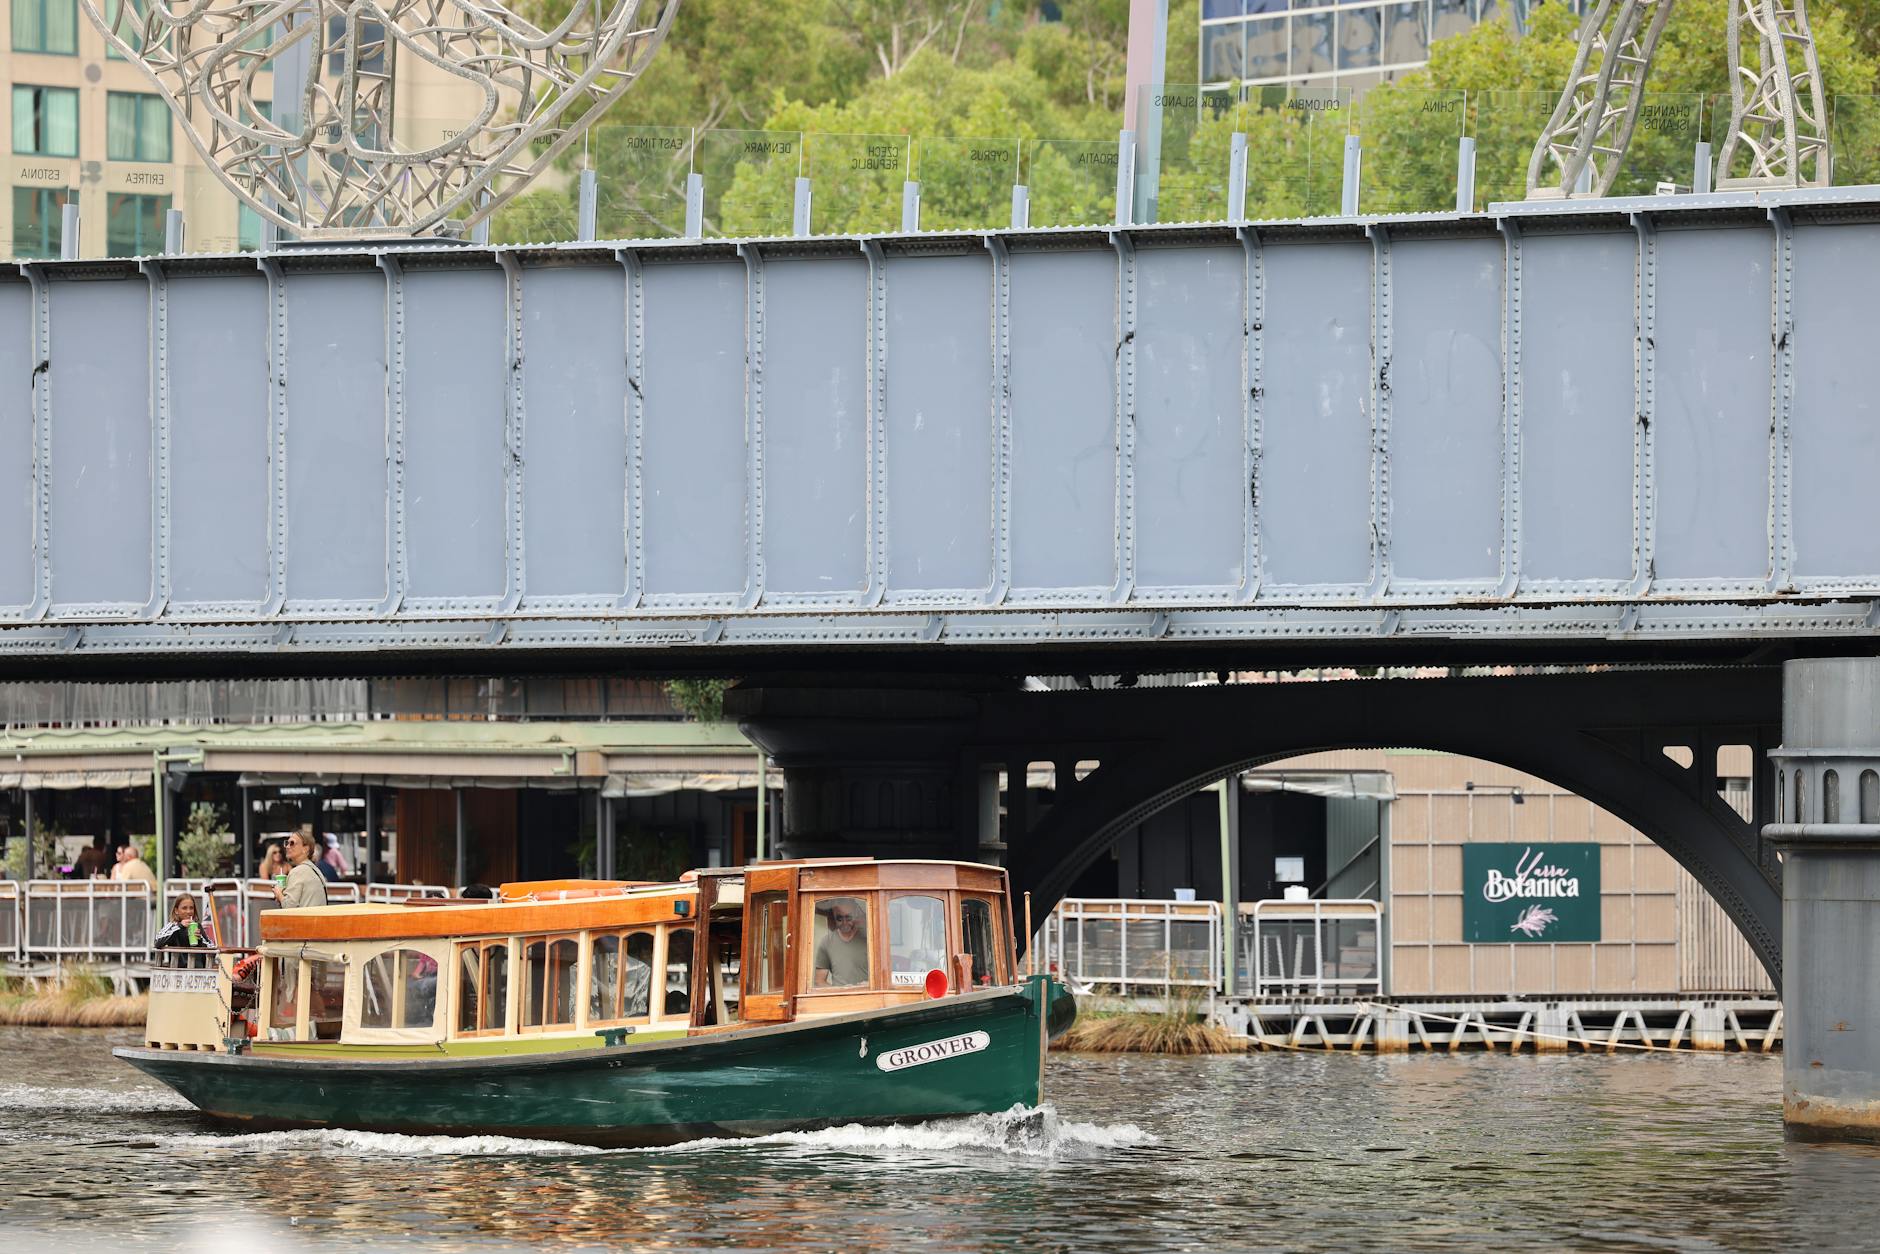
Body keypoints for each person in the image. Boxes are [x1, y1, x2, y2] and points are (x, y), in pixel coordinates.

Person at [813, 899, 870, 987]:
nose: (844, 922)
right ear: (834, 916)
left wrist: (870, 985)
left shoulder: (868, 938)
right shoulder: (827, 942)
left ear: (855, 915)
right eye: (839, 918)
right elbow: (819, 981)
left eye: (848, 918)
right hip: (839, 996)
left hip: (866, 994)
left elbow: (883, 974)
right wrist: (839, 990)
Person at [272, 827, 328, 910]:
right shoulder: (314, 869)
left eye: (292, 843)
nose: (287, 846)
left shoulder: (298, 871)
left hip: (307, 918)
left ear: (305, 849)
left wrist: (279, 894)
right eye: (287, 843)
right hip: (317, 917)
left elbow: (289, 907)